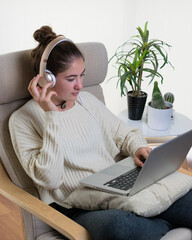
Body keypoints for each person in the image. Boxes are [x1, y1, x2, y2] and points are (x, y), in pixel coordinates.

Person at [9, 26, 192, 240]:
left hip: (114, 187)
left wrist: (138, 147)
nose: (79, 86)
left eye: (82, 76)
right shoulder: (22, 120)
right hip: (76, 205)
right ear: (46, 79)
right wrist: (52, 116)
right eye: (71, 79)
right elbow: (49, 179)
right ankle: (165, 222)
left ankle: (156, 220)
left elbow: (122, 134)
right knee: (119, 228)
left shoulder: (86, 101)